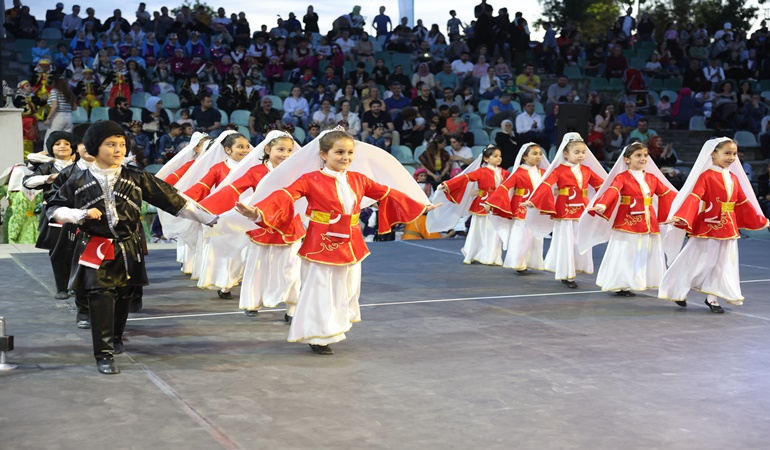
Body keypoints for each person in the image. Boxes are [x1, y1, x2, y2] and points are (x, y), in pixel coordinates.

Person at [234, 130, 438, 355]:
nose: (345, 157)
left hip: (351, 243)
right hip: (320, 243)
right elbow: (284, 196)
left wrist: (420, 205)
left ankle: (333, 327)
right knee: (319, 289)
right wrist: (258, 211)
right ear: (323, 154)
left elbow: (387, 193)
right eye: (339, 152)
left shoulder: (358, 179)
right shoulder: (310, 179)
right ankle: (315, 334)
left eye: (350, 153)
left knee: (347, 289)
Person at [45, 120, 217, 374]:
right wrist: (78, 214)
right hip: (94, 246)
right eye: (110, 144)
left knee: (124, 296)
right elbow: (53, 209)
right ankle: (103, 354)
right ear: (95, 147)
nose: (118, 150)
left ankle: (115, 338)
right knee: (100, 296)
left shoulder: (137, 177)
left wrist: (212, 219)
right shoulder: (76, 179)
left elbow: (174, 200)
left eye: (122, 144)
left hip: (129, 248)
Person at [659, 138, 769, 313]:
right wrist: (682, 216)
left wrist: (761, 220)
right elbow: (694, 198)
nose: (732, 157)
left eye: (734, 154)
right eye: (727, 153)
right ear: (713, 154)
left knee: (722, 264)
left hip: (729, 227)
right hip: (708, 227)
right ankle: (677, 289)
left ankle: (712, 298)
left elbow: (742, 202)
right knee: (696, 262)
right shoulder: (706, 176)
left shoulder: (733, 177)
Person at [199, 131, 302, 315]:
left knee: (292, 270)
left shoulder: (296, 172)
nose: (286, 154)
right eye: (280, 149)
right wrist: (205, 209)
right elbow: (232, 190)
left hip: (289, 226)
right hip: (260, 225)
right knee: (257, 268)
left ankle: (292, 310)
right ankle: (252, 303)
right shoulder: (256, 171)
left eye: (289, 150)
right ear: (268, 149)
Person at [581, 143, 676, 297]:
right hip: (627, 220)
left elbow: (667, 193)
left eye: (645, 155)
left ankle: (640, 280)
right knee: (626, 252)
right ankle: (620, 283)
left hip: (648, 219)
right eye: (638, 155)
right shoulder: (622, 177)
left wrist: (686, 201)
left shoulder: (652, 178)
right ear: (627, 159)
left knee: (646, 251)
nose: (643, 158)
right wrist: (602, 204)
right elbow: (612, 191)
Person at [527, 133, 606, 288]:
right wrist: (533, 200)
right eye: (576, 152)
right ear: (565, 153)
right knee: (566, 241)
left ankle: (577, 266)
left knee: (579, 241)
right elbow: (545, 185)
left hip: (582, 209)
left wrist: (608, 199)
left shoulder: (587, 170)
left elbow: (603, 186)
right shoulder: (559, 170)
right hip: (565, 210)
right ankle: (566, 273)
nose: (581, 155)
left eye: (583, 152)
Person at [435, 146, 509, 265]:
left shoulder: (504, 173)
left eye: (500, 156)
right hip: (482, 203)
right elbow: (465, 178)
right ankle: (473, 253)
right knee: (479, 230)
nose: (499, 158)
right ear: (486, 158)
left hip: (497, 204)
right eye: (495, 156)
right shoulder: (481, 171)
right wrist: (448, 184)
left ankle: (494, 256)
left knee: (495, 231)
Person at [486, 143, 549, 272]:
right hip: (521, 207)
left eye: (540, 154)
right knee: (521, 236)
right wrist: (490, 202)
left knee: (537, 237)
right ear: (524, 157)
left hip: (537, 208)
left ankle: (534, 262)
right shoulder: (518, 173)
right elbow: (504, 187)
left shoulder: (544, 173)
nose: (538, 157)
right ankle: (518, 262)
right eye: (534, 154)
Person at [44, 78, 76, 143]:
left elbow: (55, 106)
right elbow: (74, 108)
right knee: (67, 139)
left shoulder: (54, 91)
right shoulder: (69, 93)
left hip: (58, 116)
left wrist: (48, 118)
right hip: (69, 117)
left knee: (51, 137)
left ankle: (47, 152)